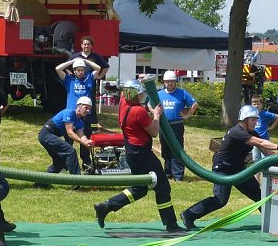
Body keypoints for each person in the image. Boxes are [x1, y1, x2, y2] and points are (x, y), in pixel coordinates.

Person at [94, 77, 183, 233]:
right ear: (133, 94)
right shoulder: (138, 111)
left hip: (131, 151)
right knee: (162, 186)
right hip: (142, 154)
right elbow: (154, 131)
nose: (142, 96)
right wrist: (156, 114)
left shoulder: (123, 102)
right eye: (140, 94)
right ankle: (171, 224)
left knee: (139, 189)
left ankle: (106, 206)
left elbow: (135, 99)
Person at [180, 104, 278, 230]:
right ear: (244, 120)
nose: (256, 122)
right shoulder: (237, 132)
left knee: (258, 194)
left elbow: (265, 150)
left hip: (238, 169)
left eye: (256, 119)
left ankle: (273, 222)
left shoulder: (252, 132)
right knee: (220, 200)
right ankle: (188, 215)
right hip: (223, 169)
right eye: (253, 119)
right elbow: (261, 143)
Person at [69, 35, 110, 169]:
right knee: (70, 133)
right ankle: (66, 160)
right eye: (84, 44)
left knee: (87, 128)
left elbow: (104, 67)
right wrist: (72, 73)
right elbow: (64, 67)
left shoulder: (95, 57)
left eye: (88, 44)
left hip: (89, 90)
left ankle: (86, 160)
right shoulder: (75, 56)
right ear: (81, 45)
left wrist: (98, 76)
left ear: (91, 45)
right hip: (75, 99)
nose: (86, 46)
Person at [37, 96, 95, 180]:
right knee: (70, 151)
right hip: (46, 134)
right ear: (79, 106)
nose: (87, 111)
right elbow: (70, 132)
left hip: (50, 136)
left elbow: (81, 135)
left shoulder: (80, 122)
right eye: (86, 108)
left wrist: (87, 141)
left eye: (89, 109)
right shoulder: (69, 113)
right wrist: (83, 143)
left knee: (59, 163)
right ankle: (76, 181)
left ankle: (41, 183)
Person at [158, 70, 198, 181]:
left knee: (177, 149)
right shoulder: (159, 94)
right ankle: (168, 172)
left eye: (171, 81)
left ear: (175, 82)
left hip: (176, 125)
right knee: (165, 149)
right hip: (163, 125)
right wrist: (155, 114)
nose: (169, 83)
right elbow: (149, 104)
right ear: (164, 82)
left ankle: (178, 175)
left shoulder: (182, 93)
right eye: (167, 81)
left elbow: (194, 104)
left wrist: (187, 115)